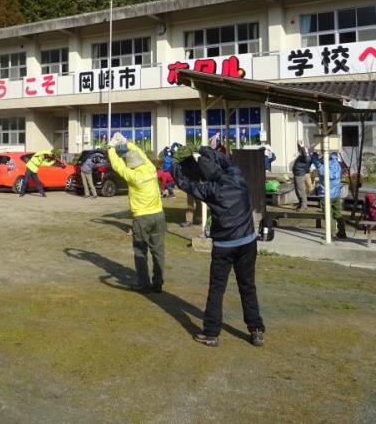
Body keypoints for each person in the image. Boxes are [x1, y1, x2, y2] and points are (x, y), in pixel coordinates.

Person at [172, 147, 265, 348]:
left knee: (217, 289)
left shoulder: (210, 190)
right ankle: (256, 330)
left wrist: (175, 164)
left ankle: (212, 333)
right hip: (248, 242)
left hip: (224, 246)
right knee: (248, 286)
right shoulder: (237, 176)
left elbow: (184, 183)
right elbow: (227, 161)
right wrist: (206, 150)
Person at [107, 133, 165, 293]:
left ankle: (143, 284)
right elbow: (141, 153)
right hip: (159, 214)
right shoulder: (151, 168)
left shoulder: (132, 176)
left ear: (131, 164)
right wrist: (127, 142)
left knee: (140, 251)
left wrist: (111, 147)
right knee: (158, 250)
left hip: (142, 218)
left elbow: (117, 165)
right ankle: (158, 282)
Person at [317, 151, 346, 239]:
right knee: (338, 213)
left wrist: (313, 154)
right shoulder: (337, 165)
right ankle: (342, 232)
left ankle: (331, 233)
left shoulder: (324, 167)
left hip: (326, 195)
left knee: (328, 215)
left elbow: (316, 163)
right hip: (336, 193)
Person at [291, 140, 312, 210]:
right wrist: (300, 145)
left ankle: (304, 205)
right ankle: (301, 203)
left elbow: (305, 156)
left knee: (301, 190)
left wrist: (302, 147)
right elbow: (302, 152)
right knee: (297, 190)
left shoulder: (306, 158)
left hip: (300, 175)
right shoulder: (302, 156)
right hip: (297, 174)